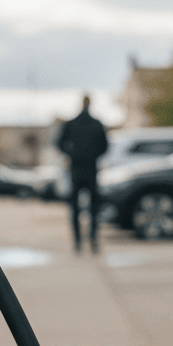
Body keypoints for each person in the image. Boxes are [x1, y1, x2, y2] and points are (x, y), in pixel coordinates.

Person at [56, 94, 108, 253]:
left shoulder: (73, 123)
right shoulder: (95, 124)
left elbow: (59, 143)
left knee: (76, 209)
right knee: (92, 209)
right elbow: (105, 146)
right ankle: (91, 239)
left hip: (78, 169)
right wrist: (93, 155)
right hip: (89, 169)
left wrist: (72, 154)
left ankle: (79, 241)